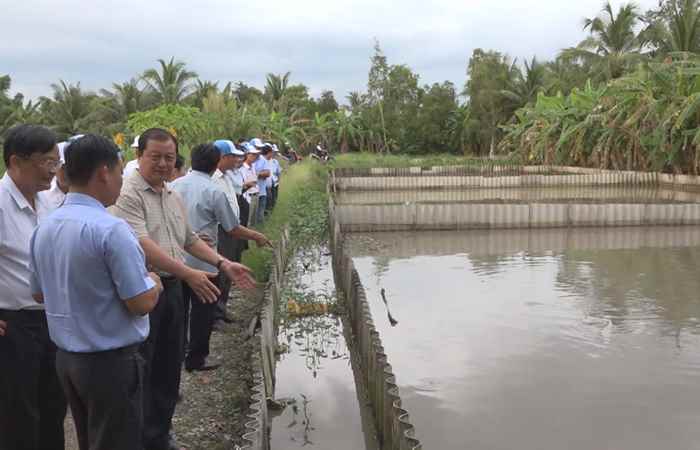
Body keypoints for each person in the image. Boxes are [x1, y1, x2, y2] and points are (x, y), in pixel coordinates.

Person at [111, 128, 256, 450]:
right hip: (145, 291)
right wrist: (190, 272)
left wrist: (222, 264)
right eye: (155, 157)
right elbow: (143, 244)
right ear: (139, 156)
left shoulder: (172, 194)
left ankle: (160, 435)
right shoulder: (126, 194)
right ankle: (140, 438)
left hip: (173, 290)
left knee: (168, 365)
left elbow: (188, 239)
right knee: (141, 370)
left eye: (169, 157)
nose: (163, 163)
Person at [29, 135, 163, 450]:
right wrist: (154, 283)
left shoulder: (45, 226)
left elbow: (39, 294)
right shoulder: (111, 229)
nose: (120, 181)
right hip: (109, 364)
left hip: (67, 359)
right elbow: (140, 302)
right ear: (104, 172)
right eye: (119, 173)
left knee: (90, 438)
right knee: (117, 440)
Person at [171, 142, 270, 371]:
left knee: (180, 313)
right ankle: (196, 359)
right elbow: (232, 228)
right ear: (216, 162)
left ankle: (178, 358)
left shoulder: (174, 185)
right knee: (203, 312)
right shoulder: (213, 191)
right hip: (206, 262)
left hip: (176, 262)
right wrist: (256, 235)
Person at [0, 124, 67, 450]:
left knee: (54, 405)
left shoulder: (49, 205)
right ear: (16, 161)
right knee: (18, 412)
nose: (52, 171)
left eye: (55, 161)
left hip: (51, 320)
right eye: (45, 162)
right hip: (13, 325)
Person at [39, 141, 69, 209]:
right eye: (60, 166)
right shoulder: (43, 194)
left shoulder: (88, 194)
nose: (66, 172)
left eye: (69, 167)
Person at [250, 138, 271, 224]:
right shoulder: (245, 160)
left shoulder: (263, 160)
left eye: (260, 148)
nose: (258, 150)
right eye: (256, 147)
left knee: (259, 216)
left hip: (261, 191)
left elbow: (267, 173)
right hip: (249, 193)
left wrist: (257, 174)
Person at [240, 142, 260, 224]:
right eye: (253, 154)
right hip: (247, 197)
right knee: (246, 221)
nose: (255, 157)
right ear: (247, 155)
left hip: (255, 194)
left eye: (256, 155)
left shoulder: (253, 166)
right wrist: (249, 184)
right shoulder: (241, 168)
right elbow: (242, 185)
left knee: (253, 221)